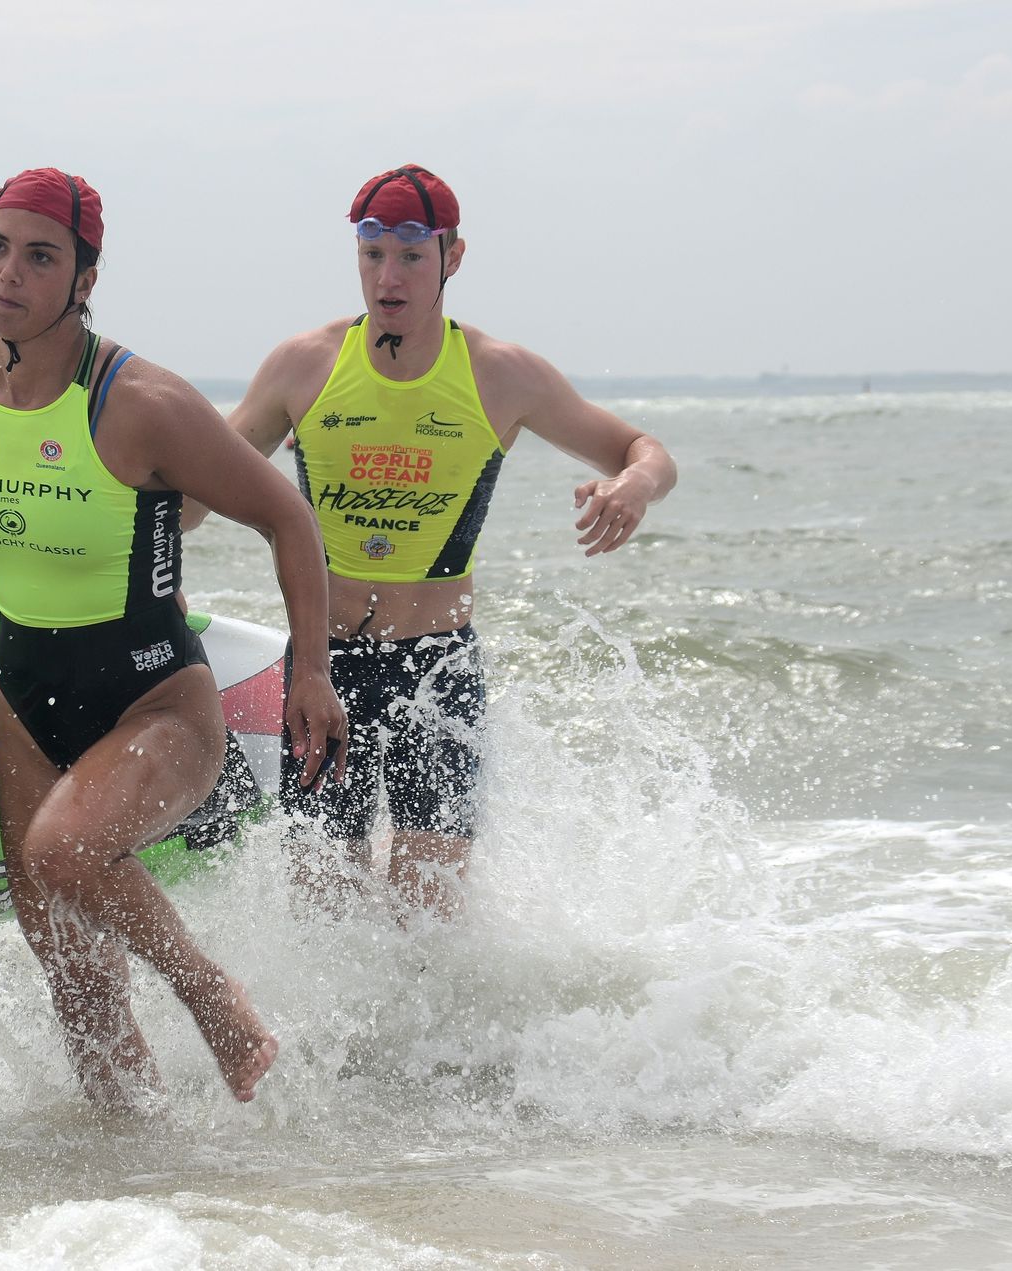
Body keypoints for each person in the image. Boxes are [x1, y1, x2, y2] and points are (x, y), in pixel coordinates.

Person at [0, 168, 347, 1109]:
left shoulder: (142, 404)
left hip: (154, 700)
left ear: (84, 279)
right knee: (76, 981)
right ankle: (133, 1168)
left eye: (39, 256)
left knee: (64, 852)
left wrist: (313, 672)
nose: (8, 273)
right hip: (26, 696)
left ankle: (212, 994)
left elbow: (288, 517)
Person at [197, 163, 677, 920]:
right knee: (322, 910)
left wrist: (634, 485)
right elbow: (197, 491)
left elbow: (645, 450)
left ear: (453, 256)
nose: (388, 277)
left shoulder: (500, 375)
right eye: (373, 254)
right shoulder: (304, 366)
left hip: (437, 670)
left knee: (427, 916)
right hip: (324, 664)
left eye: (412, 257)